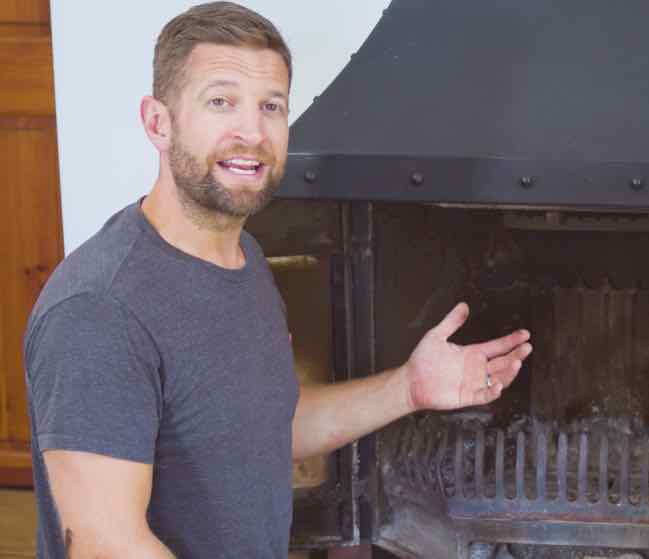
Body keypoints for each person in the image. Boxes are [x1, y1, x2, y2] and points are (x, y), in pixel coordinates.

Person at [22, 3, 532, 558]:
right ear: (158, 122)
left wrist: (408, 388)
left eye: (271, 107)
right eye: (221, 102)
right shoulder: (100, 311)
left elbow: (264, 426)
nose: (251, 131)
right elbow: (105, 544)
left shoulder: (245, 259)